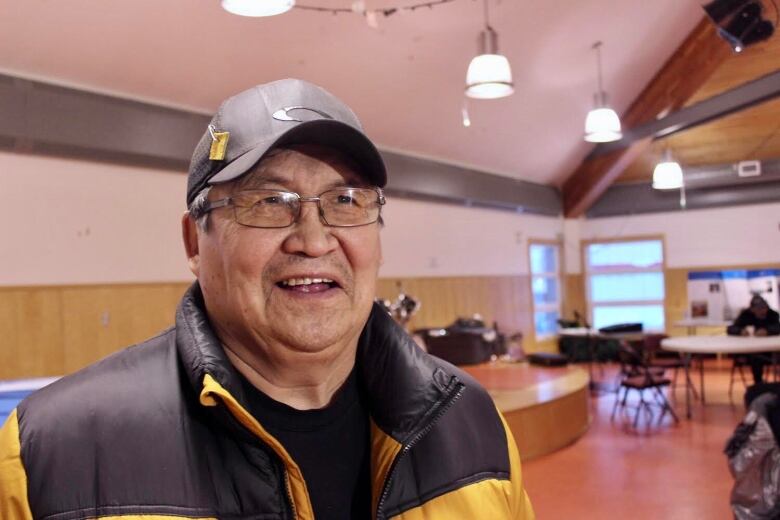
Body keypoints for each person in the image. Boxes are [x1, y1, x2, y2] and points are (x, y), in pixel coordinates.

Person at [0, 79, 534, 519]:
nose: (315, 239)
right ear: (194, 242)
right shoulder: (53, 455)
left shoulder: (470, 422)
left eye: (345, 200)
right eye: (269, 201)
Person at [727, 295, 780, 384]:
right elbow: (730, 328)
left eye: (764, 308)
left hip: (770, 351)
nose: (763, 311)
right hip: (750, 352)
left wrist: (767, 331)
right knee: (756, 358)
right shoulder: (745, 315)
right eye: (759, 309)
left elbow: (778, 327)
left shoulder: (773, 314)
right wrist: (740, 331)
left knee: (761, 357)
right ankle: (758, 384)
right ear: (752, 309)